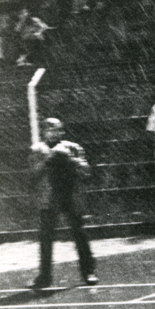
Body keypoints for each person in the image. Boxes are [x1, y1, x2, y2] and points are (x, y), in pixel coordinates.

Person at [29, 118, 97, 290]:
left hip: (70, 195)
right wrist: (48, 159)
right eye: (49, 130)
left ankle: (88, 271)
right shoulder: (37, 150)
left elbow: (87, 172)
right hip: (49, 197)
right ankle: (44, 276)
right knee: (46, 237)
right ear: (44, 132)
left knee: (80, 234)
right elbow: (33, 176)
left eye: (57, 129)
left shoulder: (72, 147)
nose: (53, 133)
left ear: (62, 131)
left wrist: (70, 160)